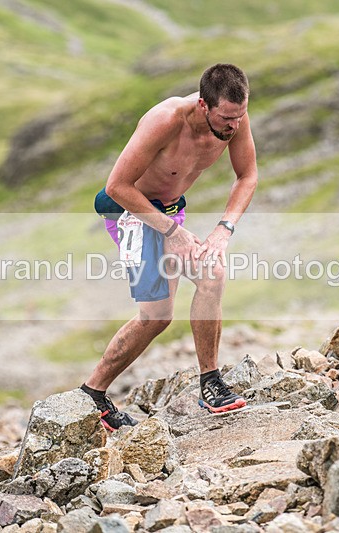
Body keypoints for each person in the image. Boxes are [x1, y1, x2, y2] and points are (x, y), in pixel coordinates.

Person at [82, 63, 258, 431]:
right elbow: (117, 187)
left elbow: (247, 175)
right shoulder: (164, 120)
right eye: (227, 117)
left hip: (170, 212)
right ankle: (91, 394)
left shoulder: (233, 120)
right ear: (203, 106)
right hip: (131, 211)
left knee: (212, 274)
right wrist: (171, 232)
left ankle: (210, 383)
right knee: (157, 316)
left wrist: (224, 230)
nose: (234, 126)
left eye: (239, 117)